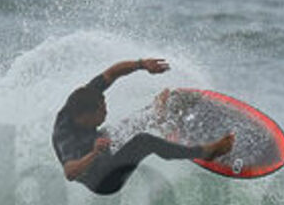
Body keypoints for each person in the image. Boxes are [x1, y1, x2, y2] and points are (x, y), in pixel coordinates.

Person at [52, 58, 233, 196]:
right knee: (143, 141)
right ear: (85, 116)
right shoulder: (66, 136)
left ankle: (156, 116)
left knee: (124, 126)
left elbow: (111, 73)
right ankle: (205, 152)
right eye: (101, 111)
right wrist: (94, 153)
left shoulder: (84, 97)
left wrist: (141, 65)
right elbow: (70, 173)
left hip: (101, 148)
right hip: (103, 180)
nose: (106, 112)